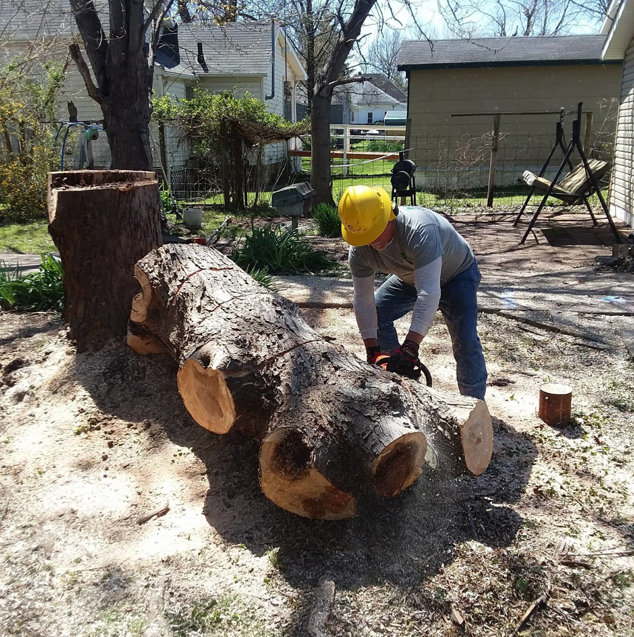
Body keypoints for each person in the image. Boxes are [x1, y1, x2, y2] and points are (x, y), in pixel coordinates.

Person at [338, 185, 487, 400]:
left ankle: (474, 405)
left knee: (465, 340)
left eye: (375, 232)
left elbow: (428, 293)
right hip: (411, 277)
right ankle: (399, 378)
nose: (372, 241)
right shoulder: (359, 248)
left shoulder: (419, 230)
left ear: (390, 216)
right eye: (366, 237)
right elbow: (363, 300)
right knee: (379, 312)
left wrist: (411, 346)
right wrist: (373, 351)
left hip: (457, 274)